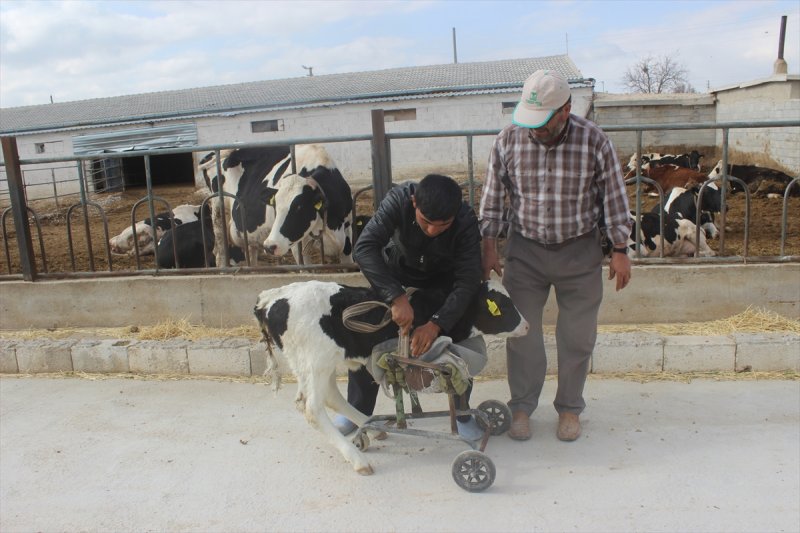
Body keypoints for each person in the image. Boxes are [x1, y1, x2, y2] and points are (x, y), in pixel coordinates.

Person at [479, 69, 632, 442]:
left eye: (544, 123)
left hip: (578, 251)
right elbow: (493, 198)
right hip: (525, 250)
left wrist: (620, 249)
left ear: (565, 110)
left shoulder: (594, 142)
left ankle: (569, 408)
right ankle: (522, 406)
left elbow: (614, 197)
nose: (536, 130)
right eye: (530, 121)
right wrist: (488, 248)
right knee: (521, 332)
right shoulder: (508, 141)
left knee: (577, 336)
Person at [333, 174, 485, 440]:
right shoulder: (398, 199)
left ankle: (462, 413)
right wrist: (396, 297)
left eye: (443, 225)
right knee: (366, 334)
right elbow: (364, 248)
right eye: (426, 222)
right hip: (396, 276)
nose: (433, 231)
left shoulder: (465, 219)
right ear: (414, 202)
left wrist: (436, 323)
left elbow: (468, 278)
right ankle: (356, 410)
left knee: (460, 336)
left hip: (442, 284)